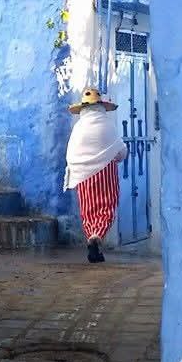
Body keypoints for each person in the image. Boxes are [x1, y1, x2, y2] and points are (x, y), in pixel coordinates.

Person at [64, 88, 128, 264]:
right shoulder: (107, 125)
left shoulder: (78, 128)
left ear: (84, 109)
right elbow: (121, 151)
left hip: (82, 175)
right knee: (106, 206)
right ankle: (97, 236)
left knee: (88, 209)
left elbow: (71, 154)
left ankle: (91, 238)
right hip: (105, 172)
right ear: (100, 107)